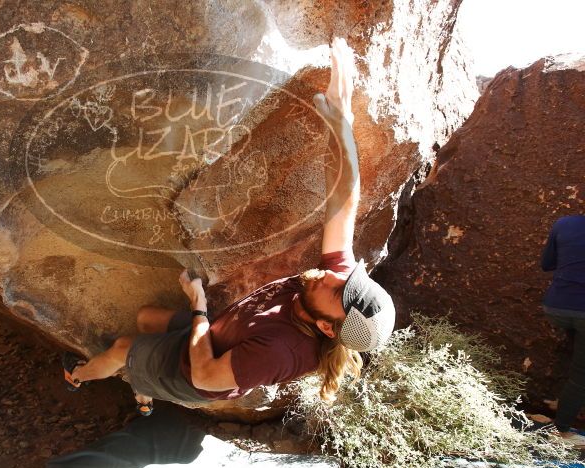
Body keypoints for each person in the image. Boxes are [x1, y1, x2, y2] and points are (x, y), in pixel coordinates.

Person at [63, 39, 395, 415]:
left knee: (124, 348)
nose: (333, 275)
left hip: (192, 373)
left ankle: (79, 376)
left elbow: (206, 376)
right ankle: (143, 385)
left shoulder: (281, 352)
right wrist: (342, 126)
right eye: (347, 279)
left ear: (327, 328)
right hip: (215, 332)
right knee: (147, 319)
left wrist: (199, 307)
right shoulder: (330, 285)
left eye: (338, 291)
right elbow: (342, 204)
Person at [541, 214, 585, 448]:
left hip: (555, 306)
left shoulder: (564, 224)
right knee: (581, 374)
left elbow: (547, 263)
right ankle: (562, 431)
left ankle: (568, 402)